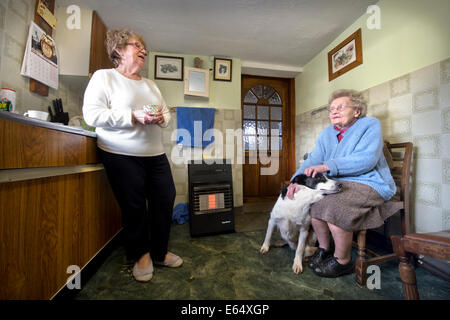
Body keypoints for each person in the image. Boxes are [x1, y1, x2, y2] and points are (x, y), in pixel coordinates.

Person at [83, 29, 182, 282]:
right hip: (120, 153)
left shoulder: (150, 84)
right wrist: (131, 116)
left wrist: (162, 118)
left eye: (144, 48)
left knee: (165, 198)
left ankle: (159, 252)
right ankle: (141, 255)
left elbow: (166, 114)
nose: (144, 51)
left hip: (155, 154)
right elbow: (91, 115)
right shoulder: (103, 77)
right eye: (137, 45)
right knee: (134, 206)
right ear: (118, 49)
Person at [287, 89, 401, 278]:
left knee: (334, 205)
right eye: (331, 108)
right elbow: (312, 160)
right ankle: (324, 249)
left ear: (357, 111)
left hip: (370, 182)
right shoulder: (327, 133)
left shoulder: (369, 125)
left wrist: (327, 166)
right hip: (340, 183)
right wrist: (294, 181)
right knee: (313, 202)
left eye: (340, 107)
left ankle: (343, 260)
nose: (334, 111)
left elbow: (367, 159)